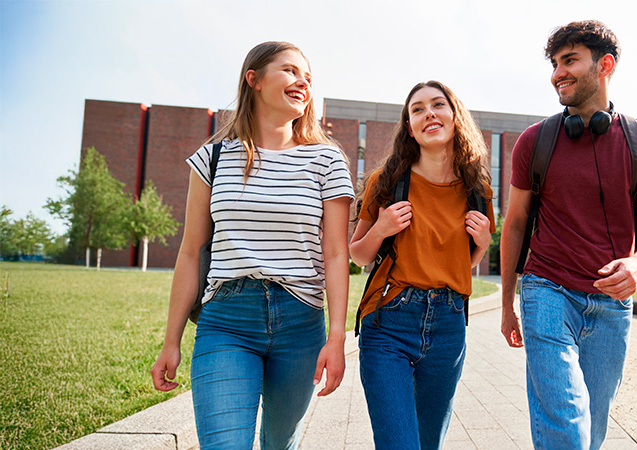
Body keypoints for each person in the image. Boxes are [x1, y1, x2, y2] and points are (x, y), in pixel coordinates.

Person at [150, 41, 354, 449]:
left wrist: (336, 337)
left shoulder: (327, 160)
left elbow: (336, 253)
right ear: (254, 79)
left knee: (280, 442)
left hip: (301, 322)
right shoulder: (212, 158)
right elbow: (191, 252)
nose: (302, 82)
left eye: (308, 78)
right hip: (227, 320)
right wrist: (170, 340)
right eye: (291, 71)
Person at [499, 21, 637, 449]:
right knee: (567, 425)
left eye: (570, 60)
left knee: (592, 431)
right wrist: (506, 303)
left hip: (613, 305)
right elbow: (516, 223)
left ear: (605, 65)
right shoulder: (534, 142)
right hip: (547, 292)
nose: (557, 72)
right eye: (555, 63)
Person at [349, 80, 495, 450]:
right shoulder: (387, 182)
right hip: (389, 323)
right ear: (410, 127)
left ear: (454, 116)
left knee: (428, 443)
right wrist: (381, 228)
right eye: (417, 109)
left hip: (448, 326)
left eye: (437, 105)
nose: (428, 112)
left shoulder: (477, 188)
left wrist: (483, 243)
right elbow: (359, 255)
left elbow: (464, 262)